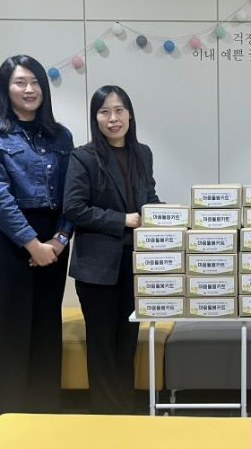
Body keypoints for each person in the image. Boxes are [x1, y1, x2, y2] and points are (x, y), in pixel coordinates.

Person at [0, 55, 73, 416]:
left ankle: (46, 415)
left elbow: (73, 193)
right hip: (10, 240)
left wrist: (60, 240)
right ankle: (10, 419)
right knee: (14, 331)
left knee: (47, 328)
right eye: (20, 82)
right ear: (6, 89)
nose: (29, 89)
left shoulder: (61, 135)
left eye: (35, 82)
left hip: (53, 239)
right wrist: (31, 243)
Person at [63, 85, 161, 414]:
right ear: (96, 118)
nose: (113, 118)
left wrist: (172, 218)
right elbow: (74, 208)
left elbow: (149, 197)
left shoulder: (142, 153)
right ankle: (106, 414)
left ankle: (126, 410)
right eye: (104, 112)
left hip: (135, 263)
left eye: (119, 110)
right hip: (97, 268)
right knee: (102, 345)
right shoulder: (83, 156)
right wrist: (122, 220)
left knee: (127, 340)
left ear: (130, 115)